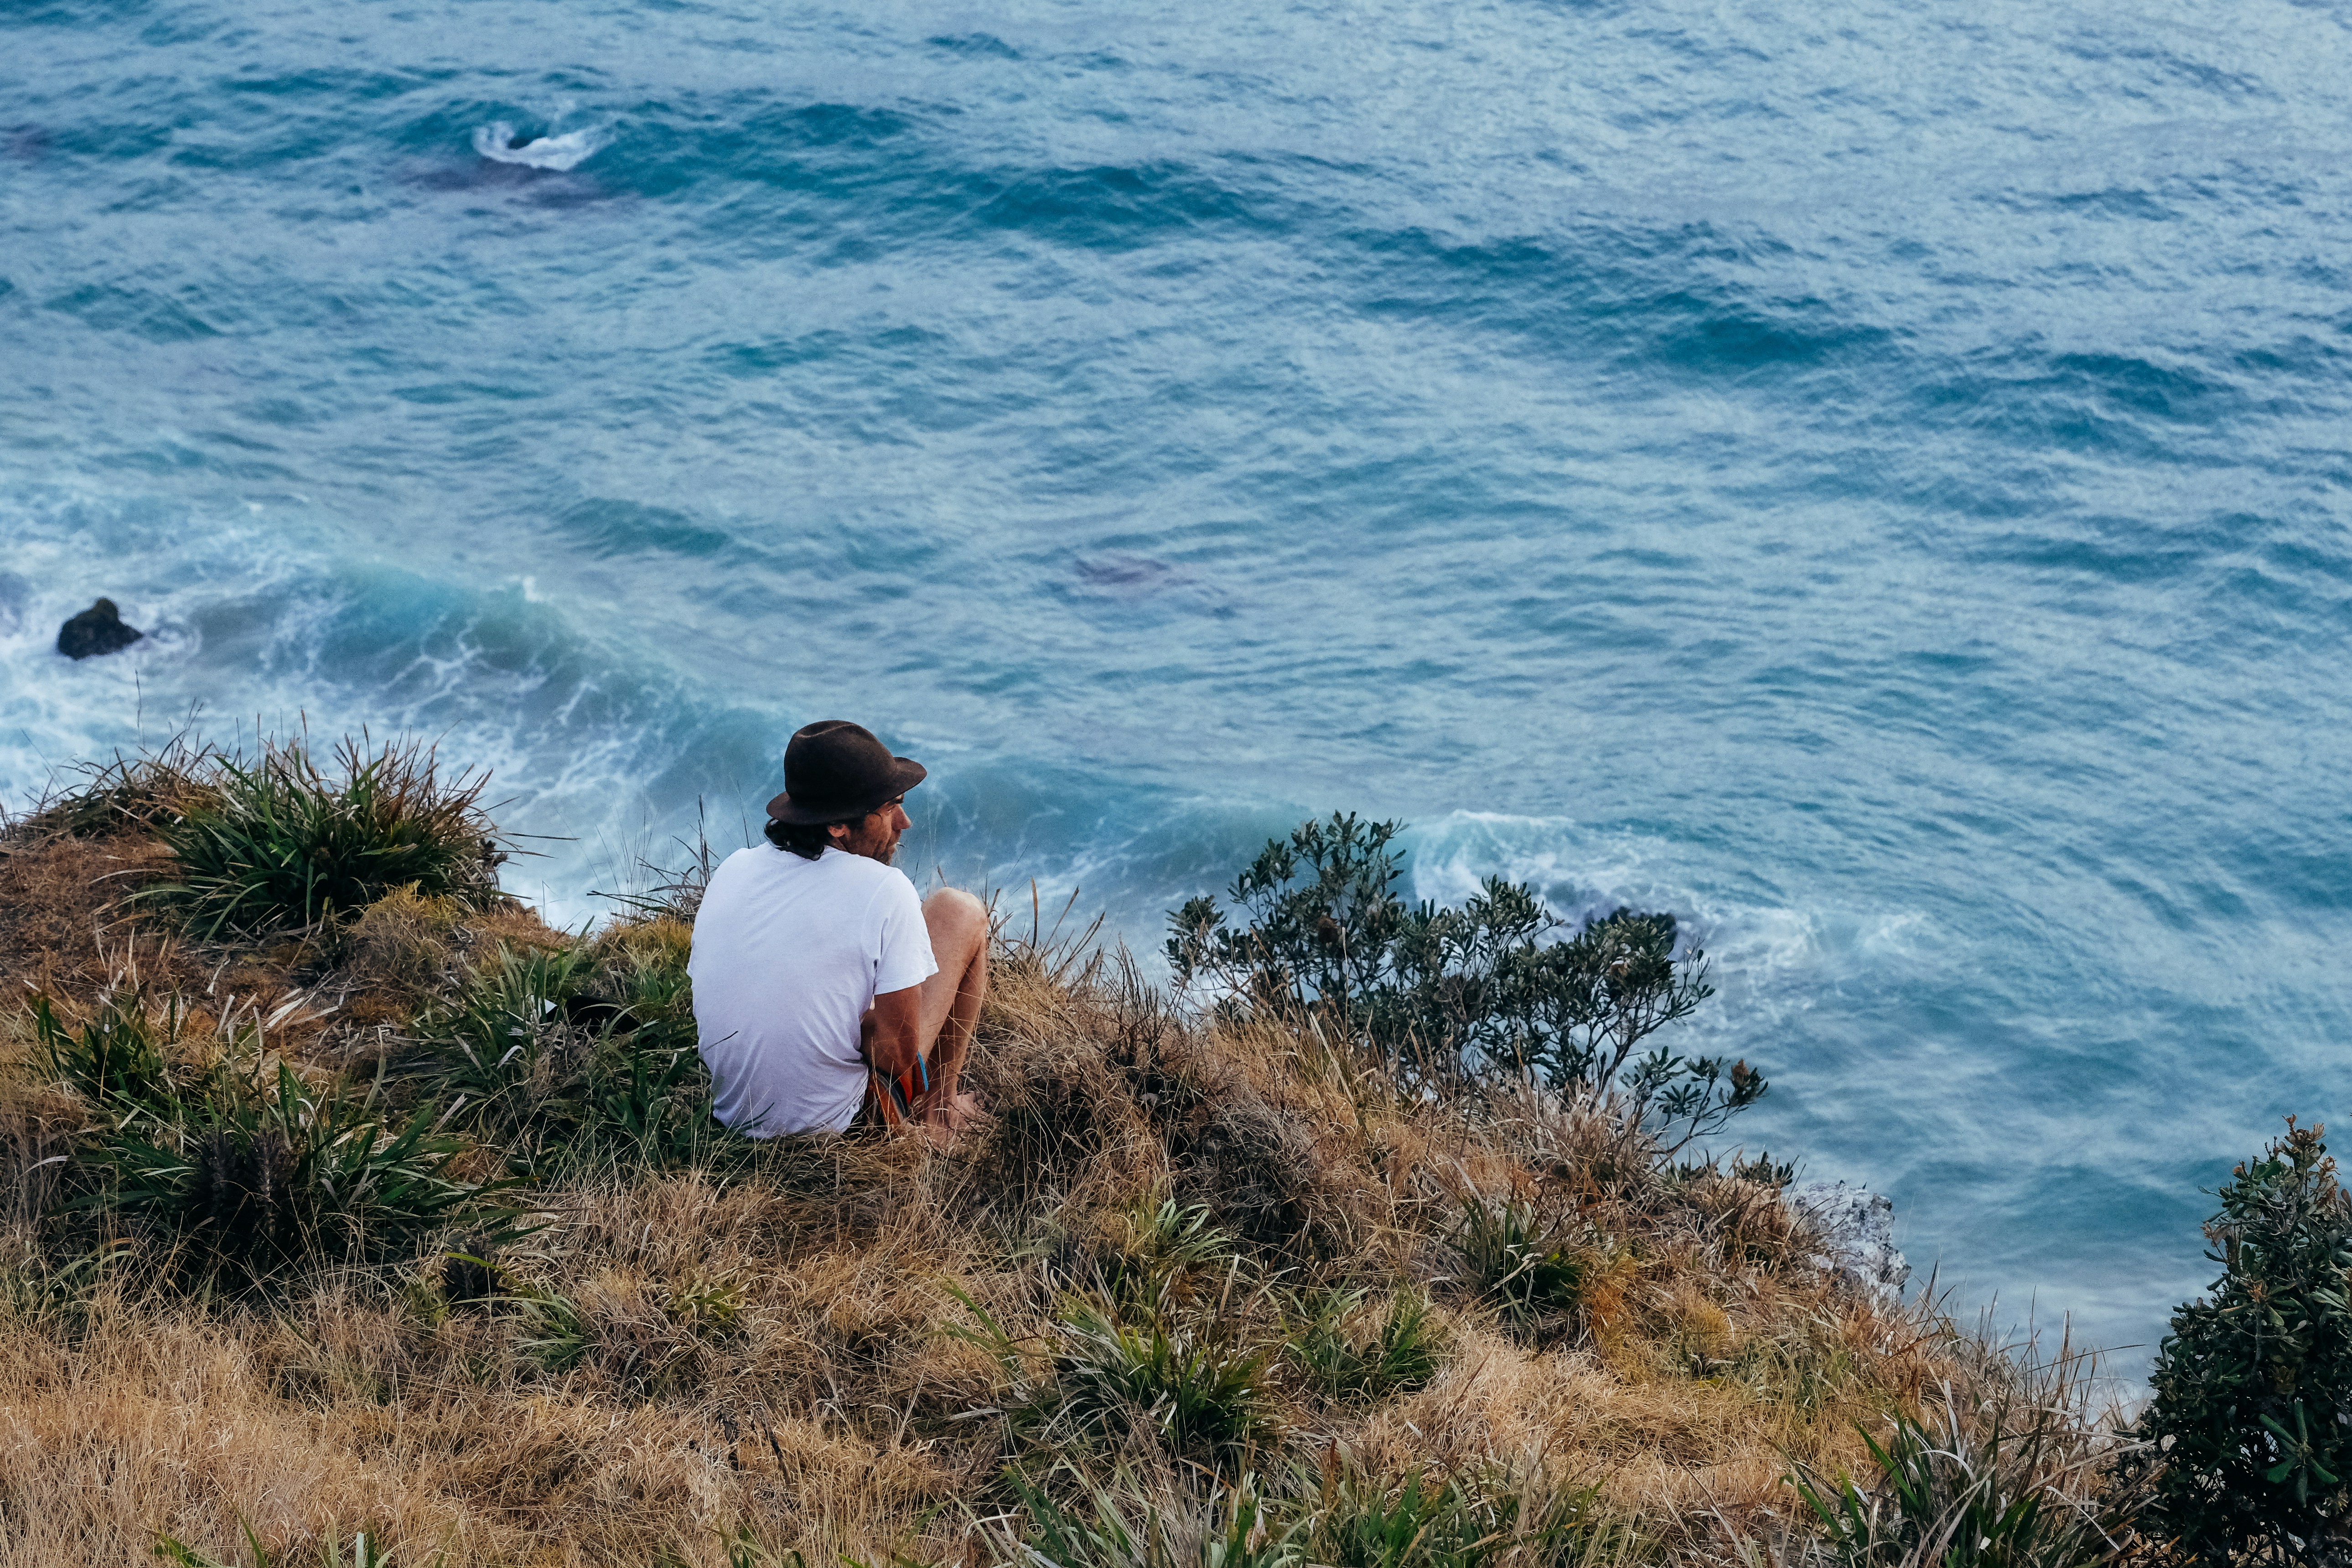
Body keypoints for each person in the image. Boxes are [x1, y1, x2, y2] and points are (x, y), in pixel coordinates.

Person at [688, 720, 988, 1141]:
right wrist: (864, 1025)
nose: (904, 822)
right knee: (960, 911)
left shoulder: (733, 868)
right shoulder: (886, 890)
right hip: (839, 1127)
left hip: (737, 1115)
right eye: (889, 808)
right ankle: (939, 1112)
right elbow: (898, 1057)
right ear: (837, 826)